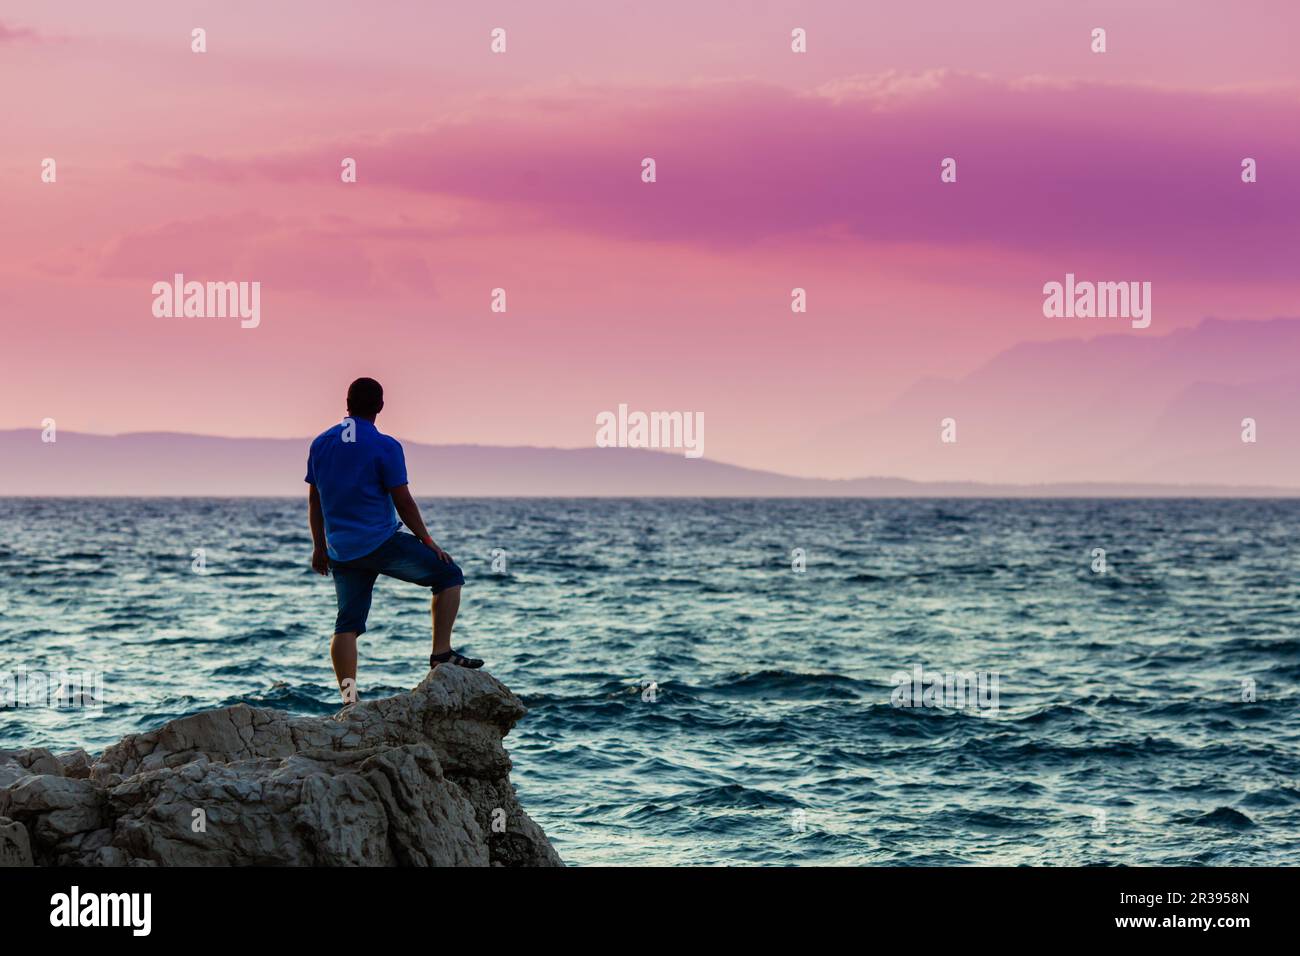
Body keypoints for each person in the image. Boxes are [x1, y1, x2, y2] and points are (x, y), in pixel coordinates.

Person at [306, 377, 480, 702]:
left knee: (347, 624)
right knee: (449, 575)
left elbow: (315, 500)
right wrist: (427, 540)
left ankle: (349, 700)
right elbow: (403, 499)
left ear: (346, 403)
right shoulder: (385, 446)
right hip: (382, 543)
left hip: (341, 550)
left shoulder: (321, 443)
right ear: (381, 406)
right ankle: (441, 654)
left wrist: (319, 546)